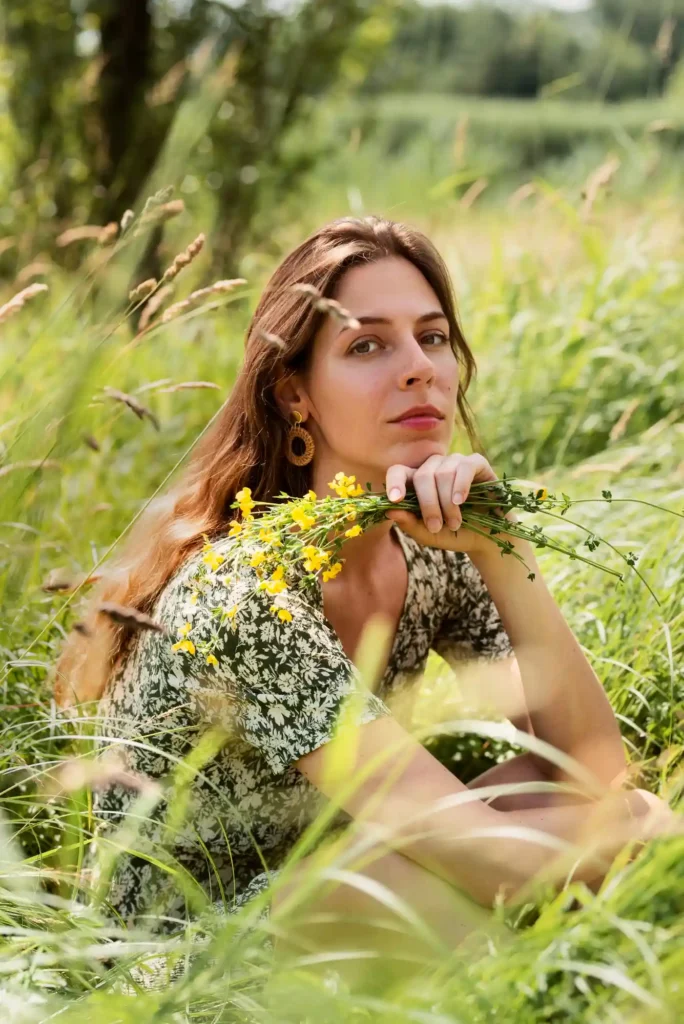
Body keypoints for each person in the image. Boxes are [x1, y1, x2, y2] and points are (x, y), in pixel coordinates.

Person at [53, 215, 680, 991]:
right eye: (367, 346)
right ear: (295, 395)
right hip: (184, 963)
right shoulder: (250, 596)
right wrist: (655, 837)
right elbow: (493, 860)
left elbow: (591, 769)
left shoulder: (430, 550)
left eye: (434, 337)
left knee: (540, 790)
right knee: (476, 885)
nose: (419, 369)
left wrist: (500, 548)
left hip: (331, 876)